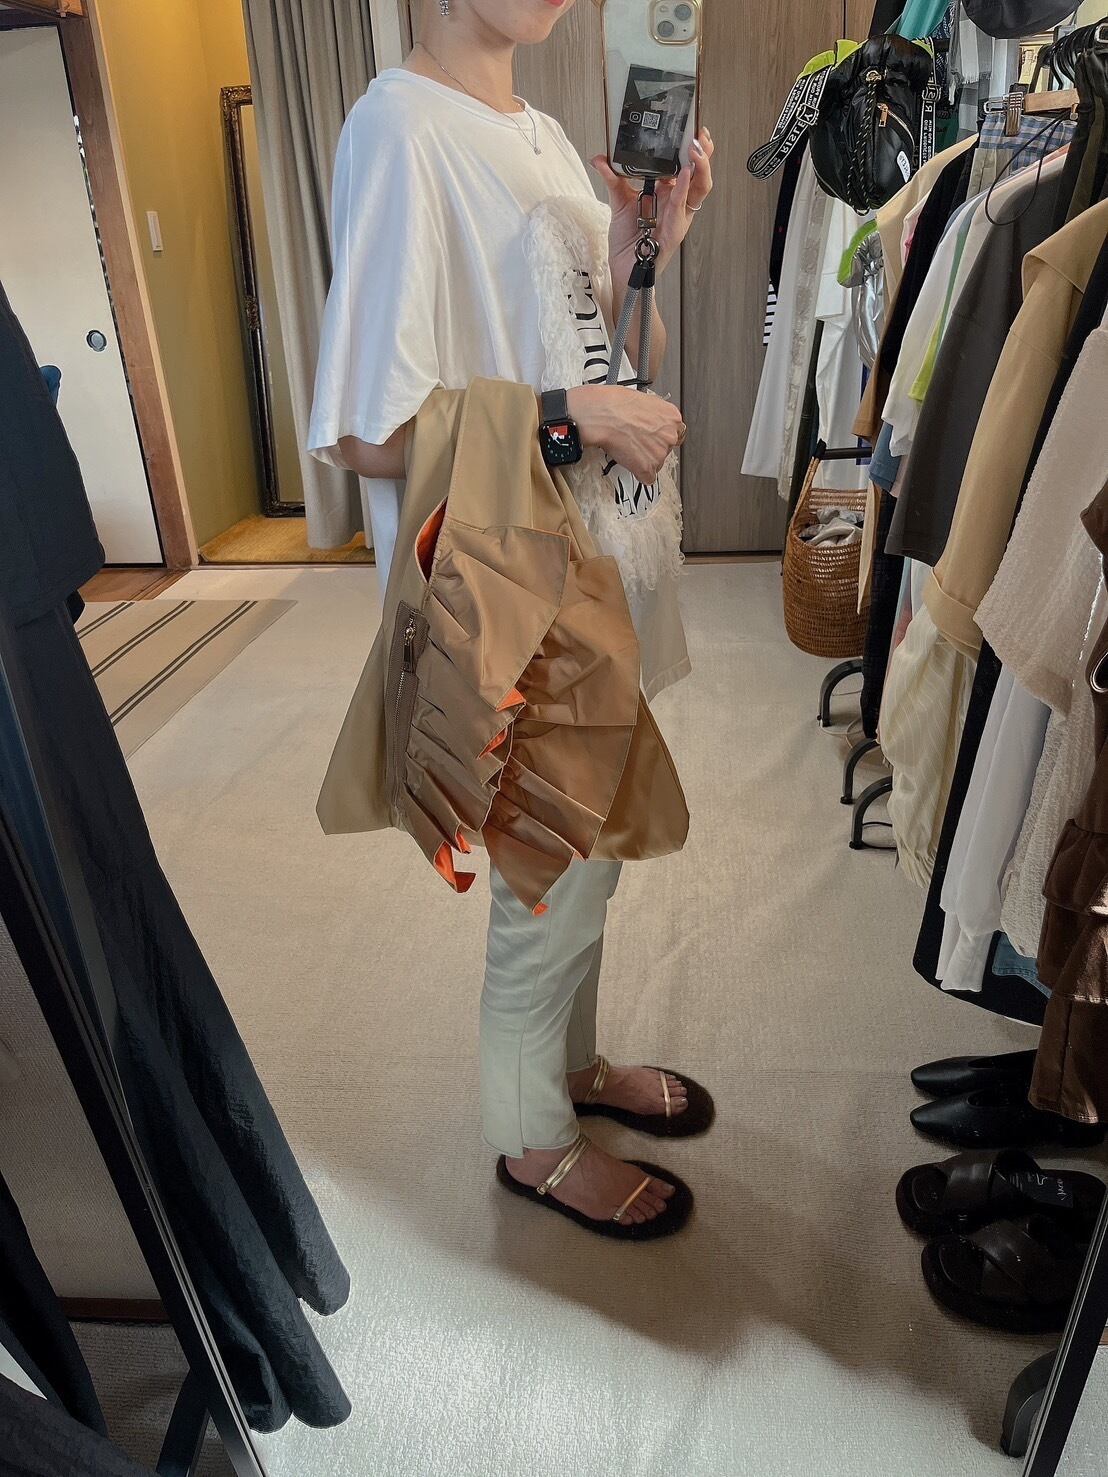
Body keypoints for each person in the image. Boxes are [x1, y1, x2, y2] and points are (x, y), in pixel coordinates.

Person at [309, 0, 715, 1237]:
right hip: (509, 573)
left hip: (596, 555)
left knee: (591, 849)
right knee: (549, 862)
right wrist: (578, 420)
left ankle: (572, 1068)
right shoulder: (400, 130)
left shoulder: (538, 131)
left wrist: (648, 248)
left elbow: (617, 357)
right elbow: (368, 430)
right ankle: (532, 1135)